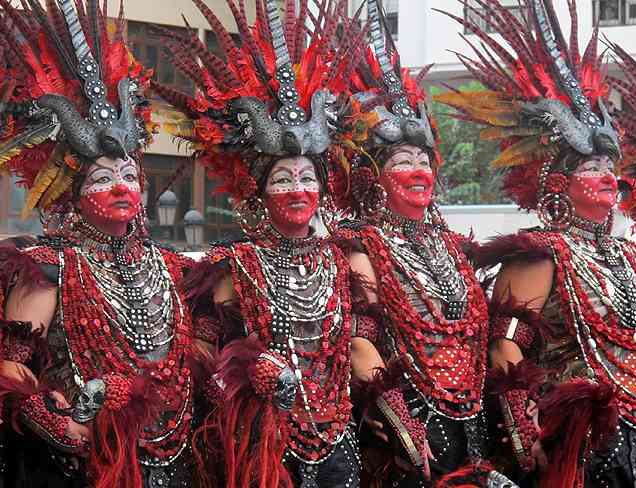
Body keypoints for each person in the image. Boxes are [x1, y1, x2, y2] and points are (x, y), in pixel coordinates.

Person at [153, 1, 369, 486]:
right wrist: (248, 374)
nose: (298, 190)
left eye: (307, 178)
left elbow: (357, 340)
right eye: (283, 179)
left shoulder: (339, 259)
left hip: (337, 439)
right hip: (260, 445)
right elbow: (203, 353)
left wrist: (390, 400)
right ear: (257, 191)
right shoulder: (234, 263)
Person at [435, 1, 636, 486]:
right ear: (558, 184)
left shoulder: (632, 257)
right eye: (590, 168)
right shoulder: (540, 253)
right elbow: (505, 346)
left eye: (608, 167)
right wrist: (524, 425)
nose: (606, 177)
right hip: (577, 439)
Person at [0, 1, 196, 486]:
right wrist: (60, 421)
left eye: (128, 174)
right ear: (72, 191)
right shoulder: (47, 266)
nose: (120, 187)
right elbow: (11, 368)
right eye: (102, 178)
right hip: (91, 463)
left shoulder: (170, 266)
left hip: (177, 457)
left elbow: (197, 355)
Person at [327, 1, 504, 486]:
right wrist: (395, 411)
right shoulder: (361, 245)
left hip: (473, 422)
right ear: (373, 176)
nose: (420, 170)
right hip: (412, 428)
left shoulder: (454, 247)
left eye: (424, 159)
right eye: (403, 161)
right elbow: (362, 334)